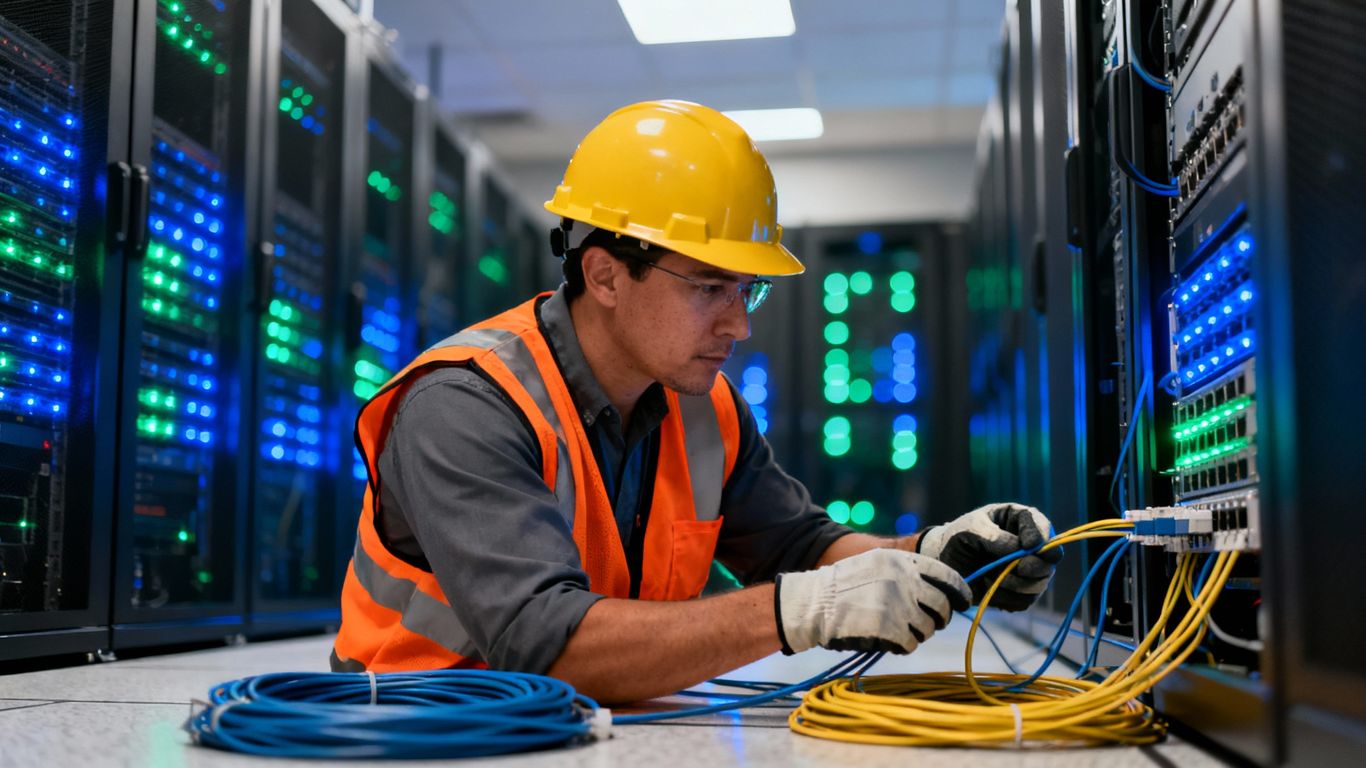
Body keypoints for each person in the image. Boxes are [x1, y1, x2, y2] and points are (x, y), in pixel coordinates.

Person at [332, 100, 1060, 703]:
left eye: (749, 291)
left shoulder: (703, 408)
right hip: (417, 731)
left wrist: (934, 553)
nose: (739, 325)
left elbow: (799, 548)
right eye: (710, 288)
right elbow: (543, 645)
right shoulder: (466, 404)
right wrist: (798, 611)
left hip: (589, 728)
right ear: (607, 274)